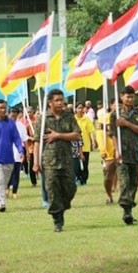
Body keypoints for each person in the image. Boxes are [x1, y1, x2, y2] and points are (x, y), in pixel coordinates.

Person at [33, 89, 81, 232]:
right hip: (49, 161)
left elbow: (76, 135)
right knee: (52, 190)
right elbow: (36, 142)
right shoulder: (42, 119)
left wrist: (58, 135)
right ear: (50, 102)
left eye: (62, 100)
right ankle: (57, 219)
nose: (61, 103)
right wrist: (36, 162)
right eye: (57, 100)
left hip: (66, 159)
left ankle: (62, 207)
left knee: (70, 188)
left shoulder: (68, 116)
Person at [110, 85, 138, 225]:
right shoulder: (116, 114)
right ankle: (126, 209)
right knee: (124, 182)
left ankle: (129, 210)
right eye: (127, 96)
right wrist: (116, 149)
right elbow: (113, 134)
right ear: (121, 97)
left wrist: (127, 124)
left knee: (133, 183)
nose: (130, 99)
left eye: (132, 96)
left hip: (136, 152)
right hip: (123, 153)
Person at [7, 107, 30, 199]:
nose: (13, 114)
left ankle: (14, 191)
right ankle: (7, 188)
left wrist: (27, 151)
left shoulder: (21, 126)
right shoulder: (5, 124)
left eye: (15, 112)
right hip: (7, 152)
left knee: (16, 172)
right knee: (8, 172)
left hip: (17, 152)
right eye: (12, 112)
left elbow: (25, 140)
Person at [99, 99, 117, 204]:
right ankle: (109, 194)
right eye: (116, 105)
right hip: (109, 152)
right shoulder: (104, 119)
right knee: (108, 176)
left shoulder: (124, 118)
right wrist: (102, 150)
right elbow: (100, 135)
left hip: (122, 151)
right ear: (111, 105)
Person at [75, 102, 96, 185]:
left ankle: (84, 179)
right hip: (75, 146)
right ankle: (78, 177)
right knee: (76, 165)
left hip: (85, 145)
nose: (80, 109)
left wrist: (93, 141)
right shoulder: (73, 119)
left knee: (85, 164)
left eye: (81, 108)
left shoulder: (86, 119)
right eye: (78, 108)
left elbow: (91, 131)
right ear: (76, 109)